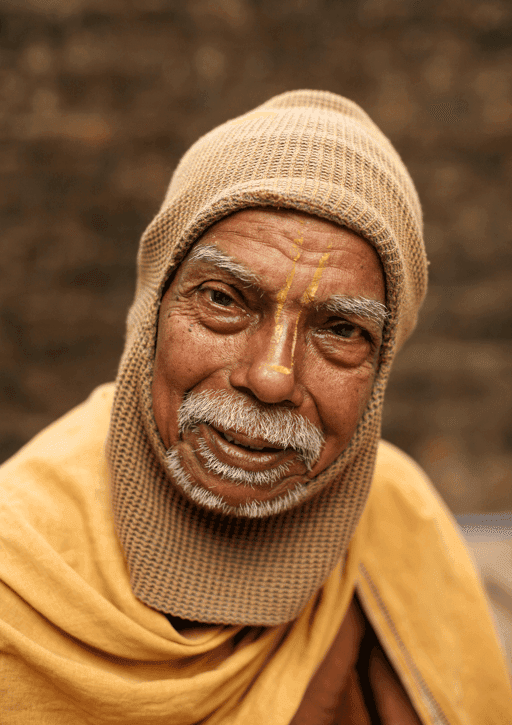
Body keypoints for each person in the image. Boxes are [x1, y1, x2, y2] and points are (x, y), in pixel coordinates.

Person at [0, 90, 510, 724]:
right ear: (150, 310)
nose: (271, 379)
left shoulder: (402, 524)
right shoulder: (13, 568)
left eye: (342, 330)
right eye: (224, 299)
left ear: (381, 374)